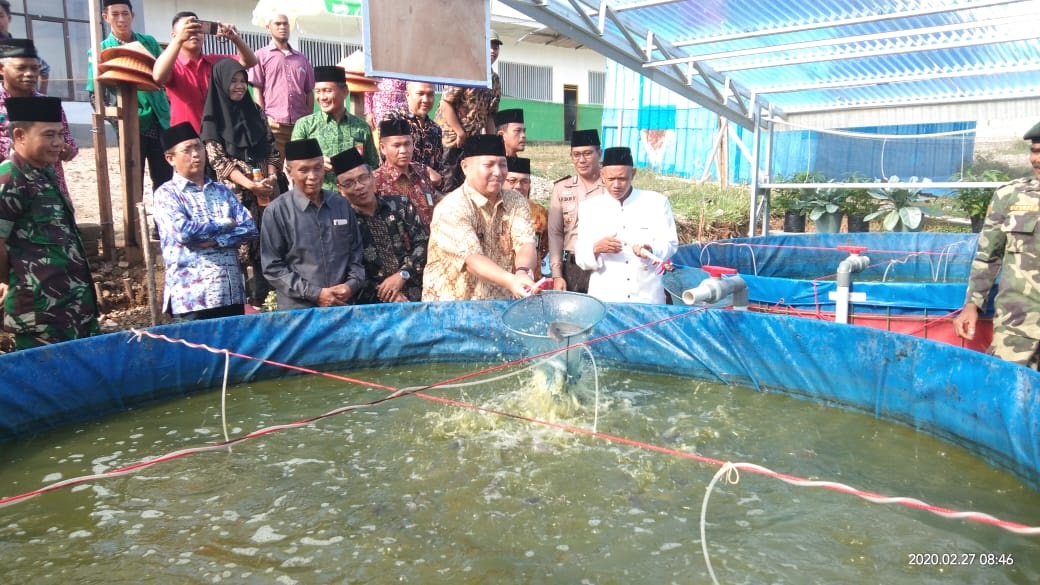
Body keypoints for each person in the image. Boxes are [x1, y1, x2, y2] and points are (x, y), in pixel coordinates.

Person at [0, 96, 99, 349]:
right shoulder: (10, 177)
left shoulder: (46, 173)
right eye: (49, 135)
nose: (58, 143)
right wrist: (9, 282)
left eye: (60, 134)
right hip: (41, 314)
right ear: (20, 135)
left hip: (74, 308)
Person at [953, 121, 1040, 367]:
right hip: (1017, 331)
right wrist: (972, 305)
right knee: (1009, 400)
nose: (1037, 159)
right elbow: (988, 257)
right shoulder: (1009, 196)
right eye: (1035, 151)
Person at [152, 122, 258, 320]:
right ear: (170, 159)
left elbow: (249, 227)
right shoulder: (167, 194)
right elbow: (184, 232)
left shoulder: (222, 191)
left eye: (198, 147)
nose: (196, 154)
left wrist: (218, 240)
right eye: (187, 150)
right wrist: (226, 223)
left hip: (230, 294)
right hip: (192, 297)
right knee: (196, 350)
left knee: (231, 350)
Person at [200, 59, 280, 305]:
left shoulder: (255, 111)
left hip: (266, 189)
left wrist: (272, 175)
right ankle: (242, 303)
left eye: (243, 81)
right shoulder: (213, 119)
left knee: (270, 246)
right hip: (234, 196)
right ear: (221, 83)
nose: (239, 86)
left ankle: (268, 300)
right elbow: (219, 163)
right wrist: (249, 184)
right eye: (233, 81)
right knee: (241, 249)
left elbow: (271, 148)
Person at [422, 135, 537, 301]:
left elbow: (525, 243)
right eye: (489, 165)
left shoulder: (515, 200)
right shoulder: (452, 207)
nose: (498, 172)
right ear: (465, 167)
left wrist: (522, 272)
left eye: (502, 164)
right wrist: (512, 281)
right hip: (453, 310)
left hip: (499, 307)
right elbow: (472, 260)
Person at [260, 139, 366, 310]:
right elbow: (273, 267)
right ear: (289, 171)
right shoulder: (276, 212)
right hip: (300, 312)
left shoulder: (341, 205)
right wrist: (315, 294)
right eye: (304, 170)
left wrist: (351, 284)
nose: (313, 176)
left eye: (318, 168)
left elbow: (356, 253)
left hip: (343, 306)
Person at [85, 0, 173, 195]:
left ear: (133, 15)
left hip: (161, 121)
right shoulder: (100, 51)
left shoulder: (148, 42)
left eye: (125, 13)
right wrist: (119, 124)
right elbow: (95, 94)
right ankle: (135, 224)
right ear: (105, 17)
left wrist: (168, 105)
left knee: (165, 179)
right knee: (133, 181)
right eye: (115, 14)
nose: (121, 19)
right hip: (131, 123)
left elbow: (165, 74)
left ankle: (164, 224)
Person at [574, 146, 677, 304]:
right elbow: (581, 256)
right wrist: (596, 248)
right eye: (610, 179)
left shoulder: (656, 203)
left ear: (633, 174)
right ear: (602, 175)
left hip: (647, 297)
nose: (616, 185)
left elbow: (670, 244)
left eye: (622, 179)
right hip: (606, 299)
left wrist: (651, 250)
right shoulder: (589, 208)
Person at [332, 147, 428, 304]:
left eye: (363, 178)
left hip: (415, 290)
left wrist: (403, 274)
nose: (358, 186)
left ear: (372, 178)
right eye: (349, 183)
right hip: (372, 303)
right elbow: (346, 268)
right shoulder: (341, 222)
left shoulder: (400, 205)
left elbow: (423, 242)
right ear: (340, 189)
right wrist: (386, 293)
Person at [0, 39, 78, 205]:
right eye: (21, 68)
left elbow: (69, 141)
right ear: (2, 69)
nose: (29, 73)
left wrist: (67, 149)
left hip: (49, 191)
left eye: (34, 68)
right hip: (8, 194)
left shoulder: (48, 104)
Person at [152, 11, 258, 132]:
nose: (193, 34)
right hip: (187, 140)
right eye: (188, 30)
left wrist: (235, 38)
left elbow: (250, 62)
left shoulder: (216, 62)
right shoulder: (173, 65)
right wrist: (178, 40)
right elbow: (158, 76)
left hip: (218, 138)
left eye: (198, 29)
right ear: (174, 35)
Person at [434, 30, 503, 193]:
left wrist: (491, 142)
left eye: (496, 47)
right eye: (489, 46)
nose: (493, 50)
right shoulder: (464, 70)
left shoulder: (494, 79)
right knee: (448, 188)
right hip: (450, 141)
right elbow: (445, 104)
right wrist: (460, 133)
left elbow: (491, 114)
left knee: (471, 188)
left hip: (472, 142)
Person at [291, 65, 378, 192]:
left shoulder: (362, 127)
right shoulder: (305, 125)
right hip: (317, 198)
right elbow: (293, 164)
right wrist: (317, 163)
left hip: (353, 199)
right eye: (318, 92)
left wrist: (357, 172)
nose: (322, 97)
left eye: (327, 90)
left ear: (345, 91)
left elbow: (373, 165)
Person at [248, 12, 314, 168]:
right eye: (278, 24)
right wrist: (264, 120)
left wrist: (308, 120)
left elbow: (309, 92)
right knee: (274, 171)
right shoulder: (260, 56)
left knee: (302, 169)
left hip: (300, 126)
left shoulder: (301, 58)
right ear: (268, 27)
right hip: (274, 125)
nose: (282, 27)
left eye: (285, 24)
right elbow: (257, 90)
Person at [548, 129, 605, 293]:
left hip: (604, 263)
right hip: (571, 265)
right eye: (576, 154)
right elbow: (555, 233)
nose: (581, 160)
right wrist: (557, 274)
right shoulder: (561, 188)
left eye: (587, 153)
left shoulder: (611, 187)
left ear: (599, 153)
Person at [372, 118, 437, 228]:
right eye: (396, 145)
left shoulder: (422, 172)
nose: (403, 150)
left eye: (407, 144)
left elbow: (432, 202)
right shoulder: (375, 181)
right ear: (383, 148)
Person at [382, 81, 443, 184]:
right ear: (407, 95)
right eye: (420, 94)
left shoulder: (435, 128)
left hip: (426, 189)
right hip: (396, 185)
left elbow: (438, 166)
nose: (426, 100)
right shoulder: (393, 119)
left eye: (430, 94)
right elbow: (389, 160)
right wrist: (425, 171)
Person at [505, 156, 548, 275]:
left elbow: (544, 247)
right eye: (512, 181)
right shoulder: (494, 209)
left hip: (530, 276)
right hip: (501, 276)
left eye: (524, 181)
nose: (518, 186)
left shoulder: (540, 212)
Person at [0, 0, 49, 93]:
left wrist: (41, 95)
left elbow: (44, 69)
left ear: (9, 18)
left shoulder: (21, 49)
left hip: (18, 103)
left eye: (0, 16)